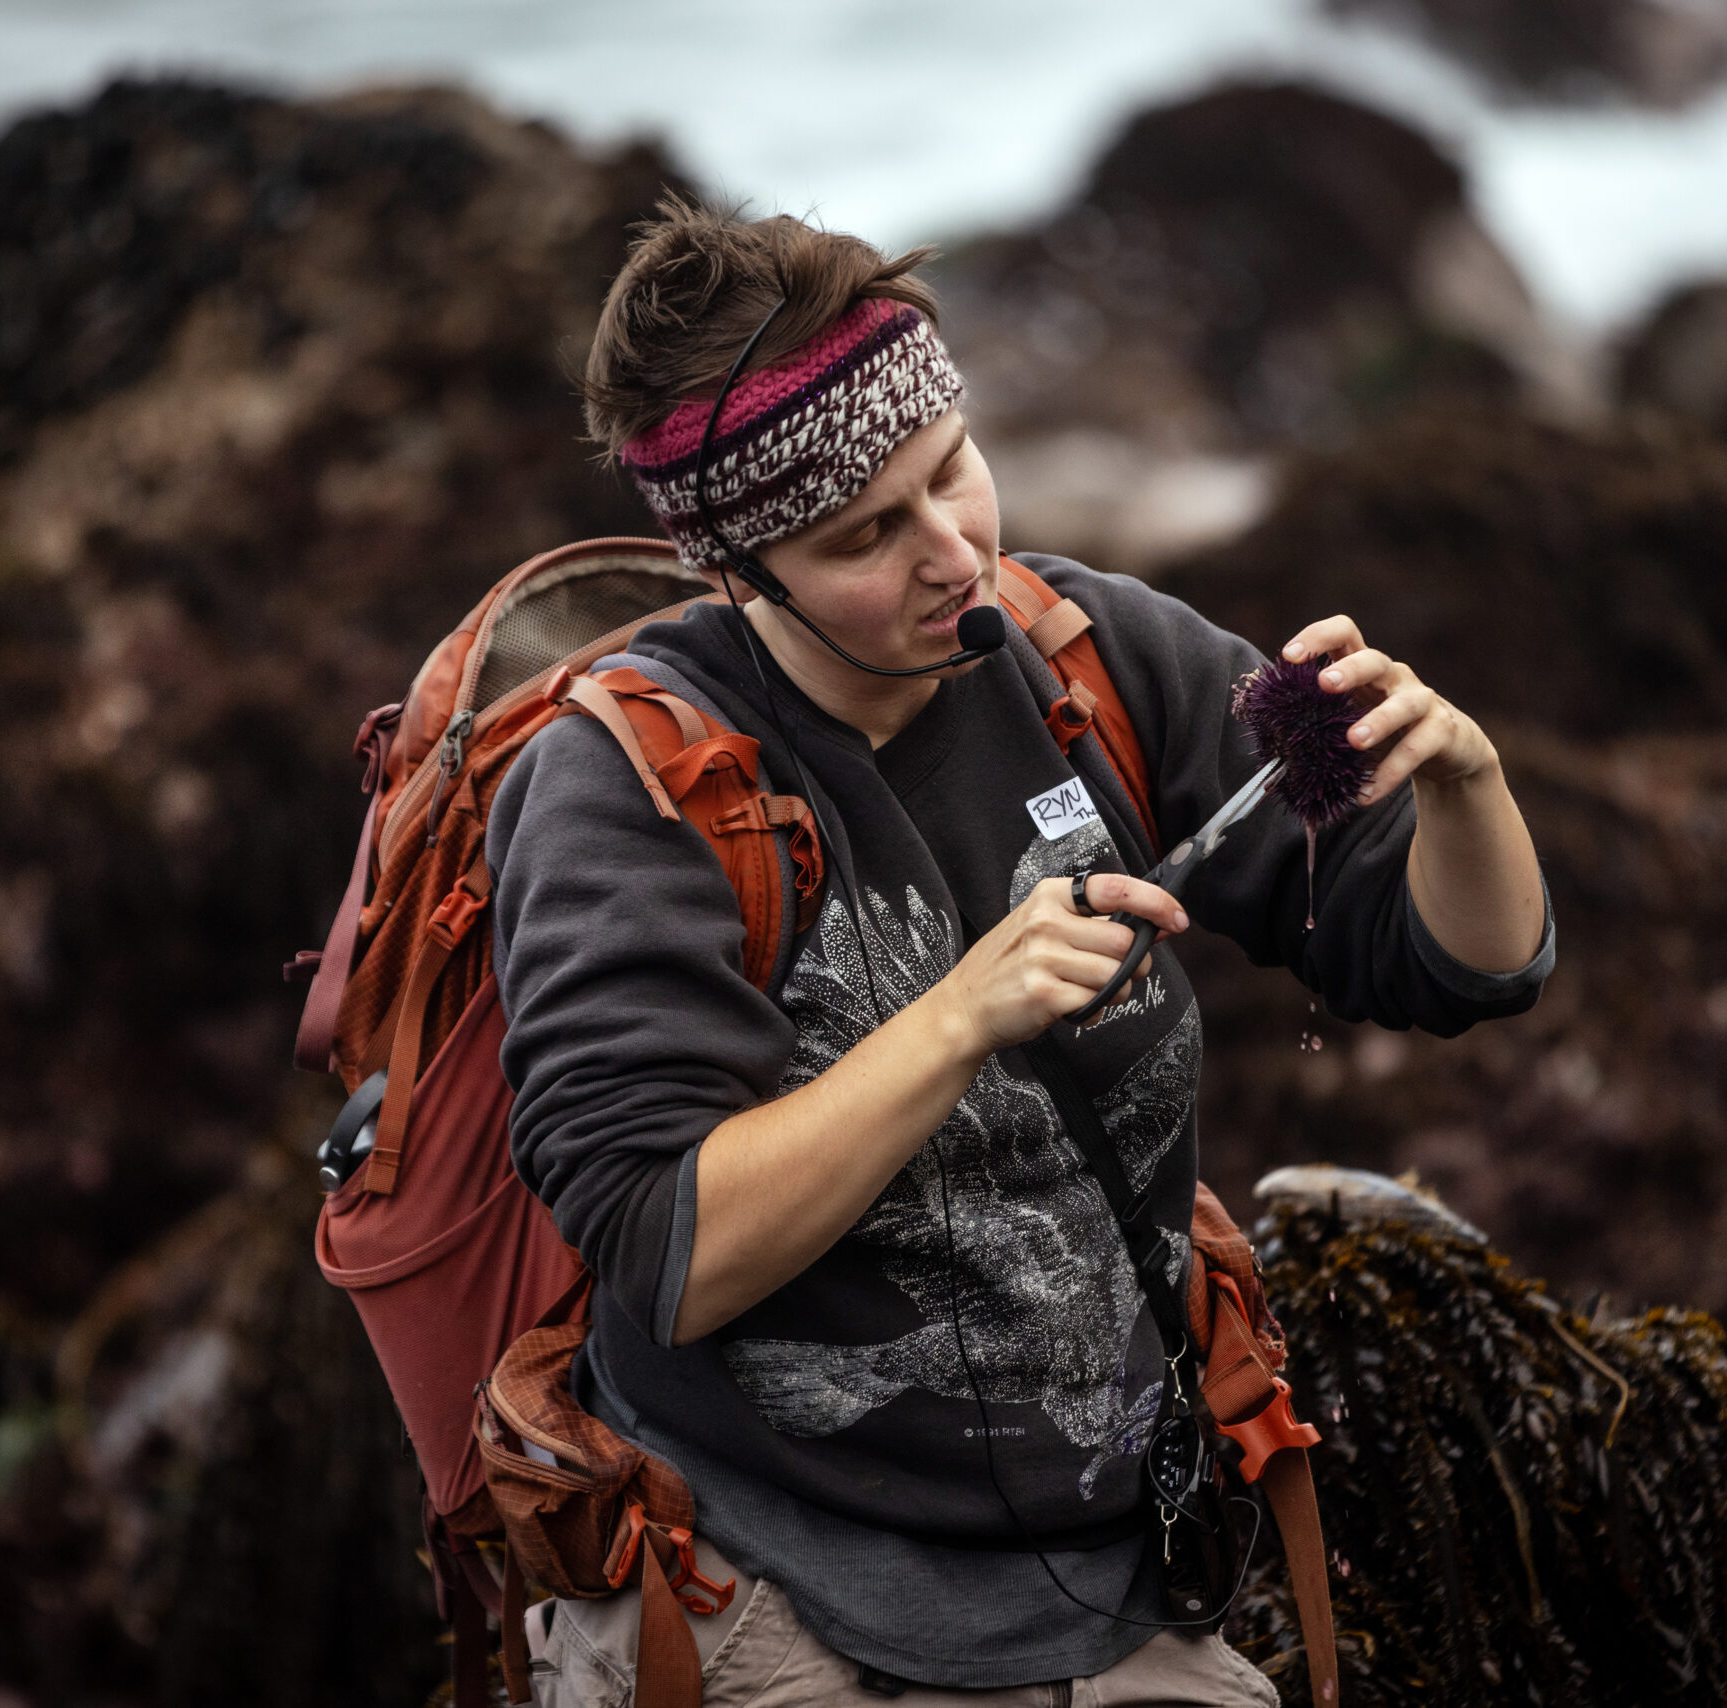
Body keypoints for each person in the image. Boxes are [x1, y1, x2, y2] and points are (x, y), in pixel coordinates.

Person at [487, 200, 1553, 1707]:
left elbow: (1450, 967)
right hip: (773, 1578)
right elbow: (667, 1253)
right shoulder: (630, 791)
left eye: (955, 473)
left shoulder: (1083, 657)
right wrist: (959, 1014)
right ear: (742, 568)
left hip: (1114, 1565)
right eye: (868, 535)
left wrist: (1465, 784)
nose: (956, 554)